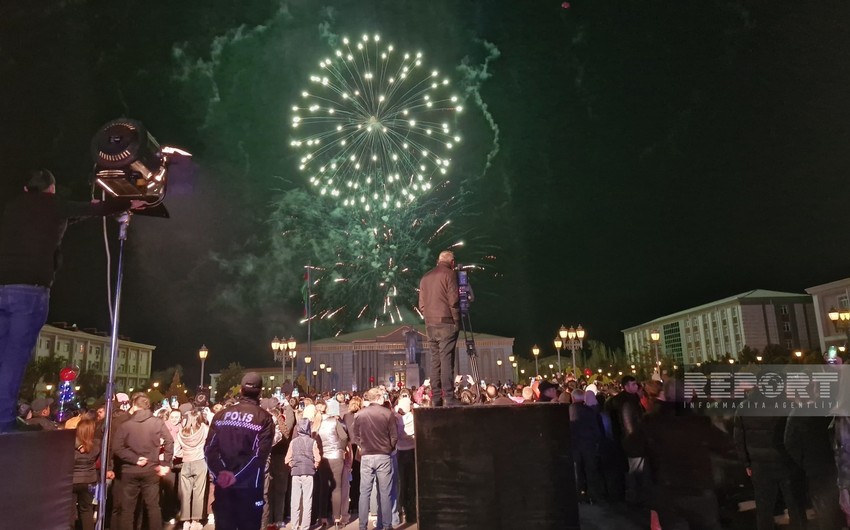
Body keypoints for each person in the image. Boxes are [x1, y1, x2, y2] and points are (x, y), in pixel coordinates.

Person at [0, 169, 144, 433]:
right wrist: (127, 202)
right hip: (29, 291)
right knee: (14, 357)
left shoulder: (12, 207)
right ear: (52, 190)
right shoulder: (53, 205)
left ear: (26, 189)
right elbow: (90, 209)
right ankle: (4, 421)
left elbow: (71, 213)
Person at [204, 372, 275, 530]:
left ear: (241, 391)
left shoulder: (221, 415)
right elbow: (260, 457)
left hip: (224, 487)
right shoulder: (264, 418)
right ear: (260, 392)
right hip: (249, 488)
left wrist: (222, 473)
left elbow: (209, 449)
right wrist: (237, 477)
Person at [113, 393, 174, 530]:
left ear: (134, 405)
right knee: (153, 507)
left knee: (127, 510)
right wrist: (165, 463)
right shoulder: (157, 422)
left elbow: (117, 447)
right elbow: (169, 441)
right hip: (151, 469)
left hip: (129, 470)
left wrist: (134, 459)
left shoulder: (125, 425)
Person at [418, 250, 460, 407]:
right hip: (447, 323)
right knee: (446, 359)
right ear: (452, 262)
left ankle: (436, 398)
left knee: (435, 361)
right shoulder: (449, 274)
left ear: (438, 260)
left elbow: (421, 304)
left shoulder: (425, 277)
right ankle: (449, 397)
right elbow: (454, 301)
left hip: (430, 325)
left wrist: (429, 318)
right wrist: (456, 321)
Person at [352, 388, 397, 530]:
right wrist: (389, 448)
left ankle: (362, 526)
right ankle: (386, 525)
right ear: (378, 397)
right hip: (383, 455)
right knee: (385, 493)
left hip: (366, 455)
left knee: (364, 492)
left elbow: (355, 436)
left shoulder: (359, 414)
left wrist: (362, 446)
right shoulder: (387, 413)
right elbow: (394, 436)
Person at [176, 409, 209, 530]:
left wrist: (185, 453)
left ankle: (185, 521)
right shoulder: (204, 429)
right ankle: (196, 521)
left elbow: (176, 451)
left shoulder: (181, 432)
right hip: (200, 461)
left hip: (186, 463)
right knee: (198, 492)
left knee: (185, 493)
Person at [286, 418, 321, 530]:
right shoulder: (313, 441)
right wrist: (314, 465)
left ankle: (294, 526)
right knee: (307, 501)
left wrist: (292, 464)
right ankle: (305, 527)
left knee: (295, 501)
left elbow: (287, 459)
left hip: (296, 473)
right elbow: (318, 458)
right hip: (308, 473)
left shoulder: (293, 442)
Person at [71, 416, 100, 530]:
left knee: (70, 511)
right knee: (87, 510)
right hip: (90, 480)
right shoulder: (96, 445)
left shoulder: (72, 445)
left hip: (73, 480)